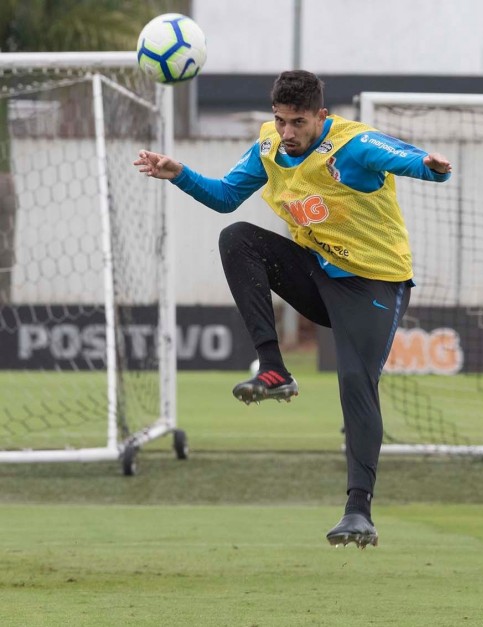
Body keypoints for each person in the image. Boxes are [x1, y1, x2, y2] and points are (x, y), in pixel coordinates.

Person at [134, 70, 451, 549]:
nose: (287, 132)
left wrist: (432, 166)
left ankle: (358, 512)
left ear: (321, 116)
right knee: (237, 238)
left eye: (298, 122)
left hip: (374, 285)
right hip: (319, 274)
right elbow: (224, 198)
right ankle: (274, 369)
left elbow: (403, 157)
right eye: (280, 120)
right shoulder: (270, 147)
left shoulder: (353, 145)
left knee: (355, 384)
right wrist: (179, 174)